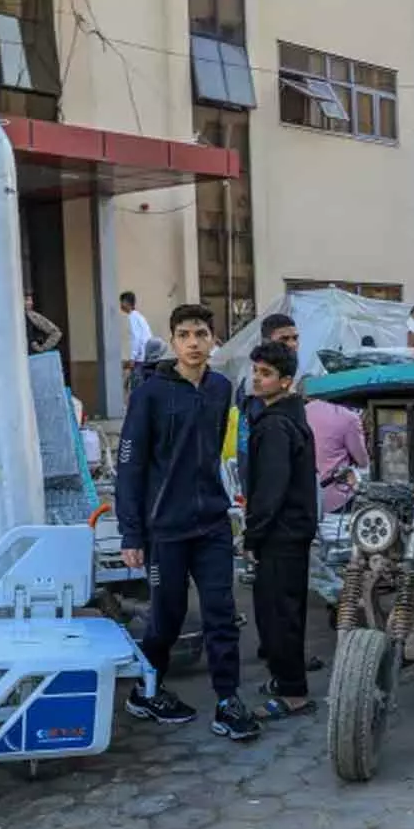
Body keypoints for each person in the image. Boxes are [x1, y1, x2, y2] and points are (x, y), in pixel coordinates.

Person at [115, 304, 261, 741]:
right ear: (173, 341)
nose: (194, 343)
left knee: (221, 613)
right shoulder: (150, 394)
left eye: (201, 333)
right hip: (165, 527)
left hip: (211, 522)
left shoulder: (220, 388)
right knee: (168, 616)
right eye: (184, 335)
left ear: (214, 339)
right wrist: (131, 531)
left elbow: (217, 448)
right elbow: (130, 466)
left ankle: (227, 700)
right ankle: (147, 689)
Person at [243, 341, 320, 721]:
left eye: (266, 373)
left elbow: (270, 490)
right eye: (256, 371)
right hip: (291, 530)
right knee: (285, 610)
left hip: (281, 532)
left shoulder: (276, 425)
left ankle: (293, 694)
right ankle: (285, 680)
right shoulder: (288, 416)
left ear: (286, 381)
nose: (257, 379)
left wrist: (252, 536)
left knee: (279, 614)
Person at [236, 314, 300, 495]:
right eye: (284, 339)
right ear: (266, 341)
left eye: (295, 338)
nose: (292, 344)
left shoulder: (286, 375)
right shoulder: (258, 389)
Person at [307, 397, 369, 516]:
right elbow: (362, 461)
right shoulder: (349, 418)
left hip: (306, 496)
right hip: (336, 497)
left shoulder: (305, 410)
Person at [120, 291, 154, 381]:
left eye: (121, 302)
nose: (120, 305)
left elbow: (136, 338)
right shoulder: (139, 316)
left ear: (126, 302)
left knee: (136, 387)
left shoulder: (133, 317)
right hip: (145, 357)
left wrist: (132, 358)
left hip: (140, 359)